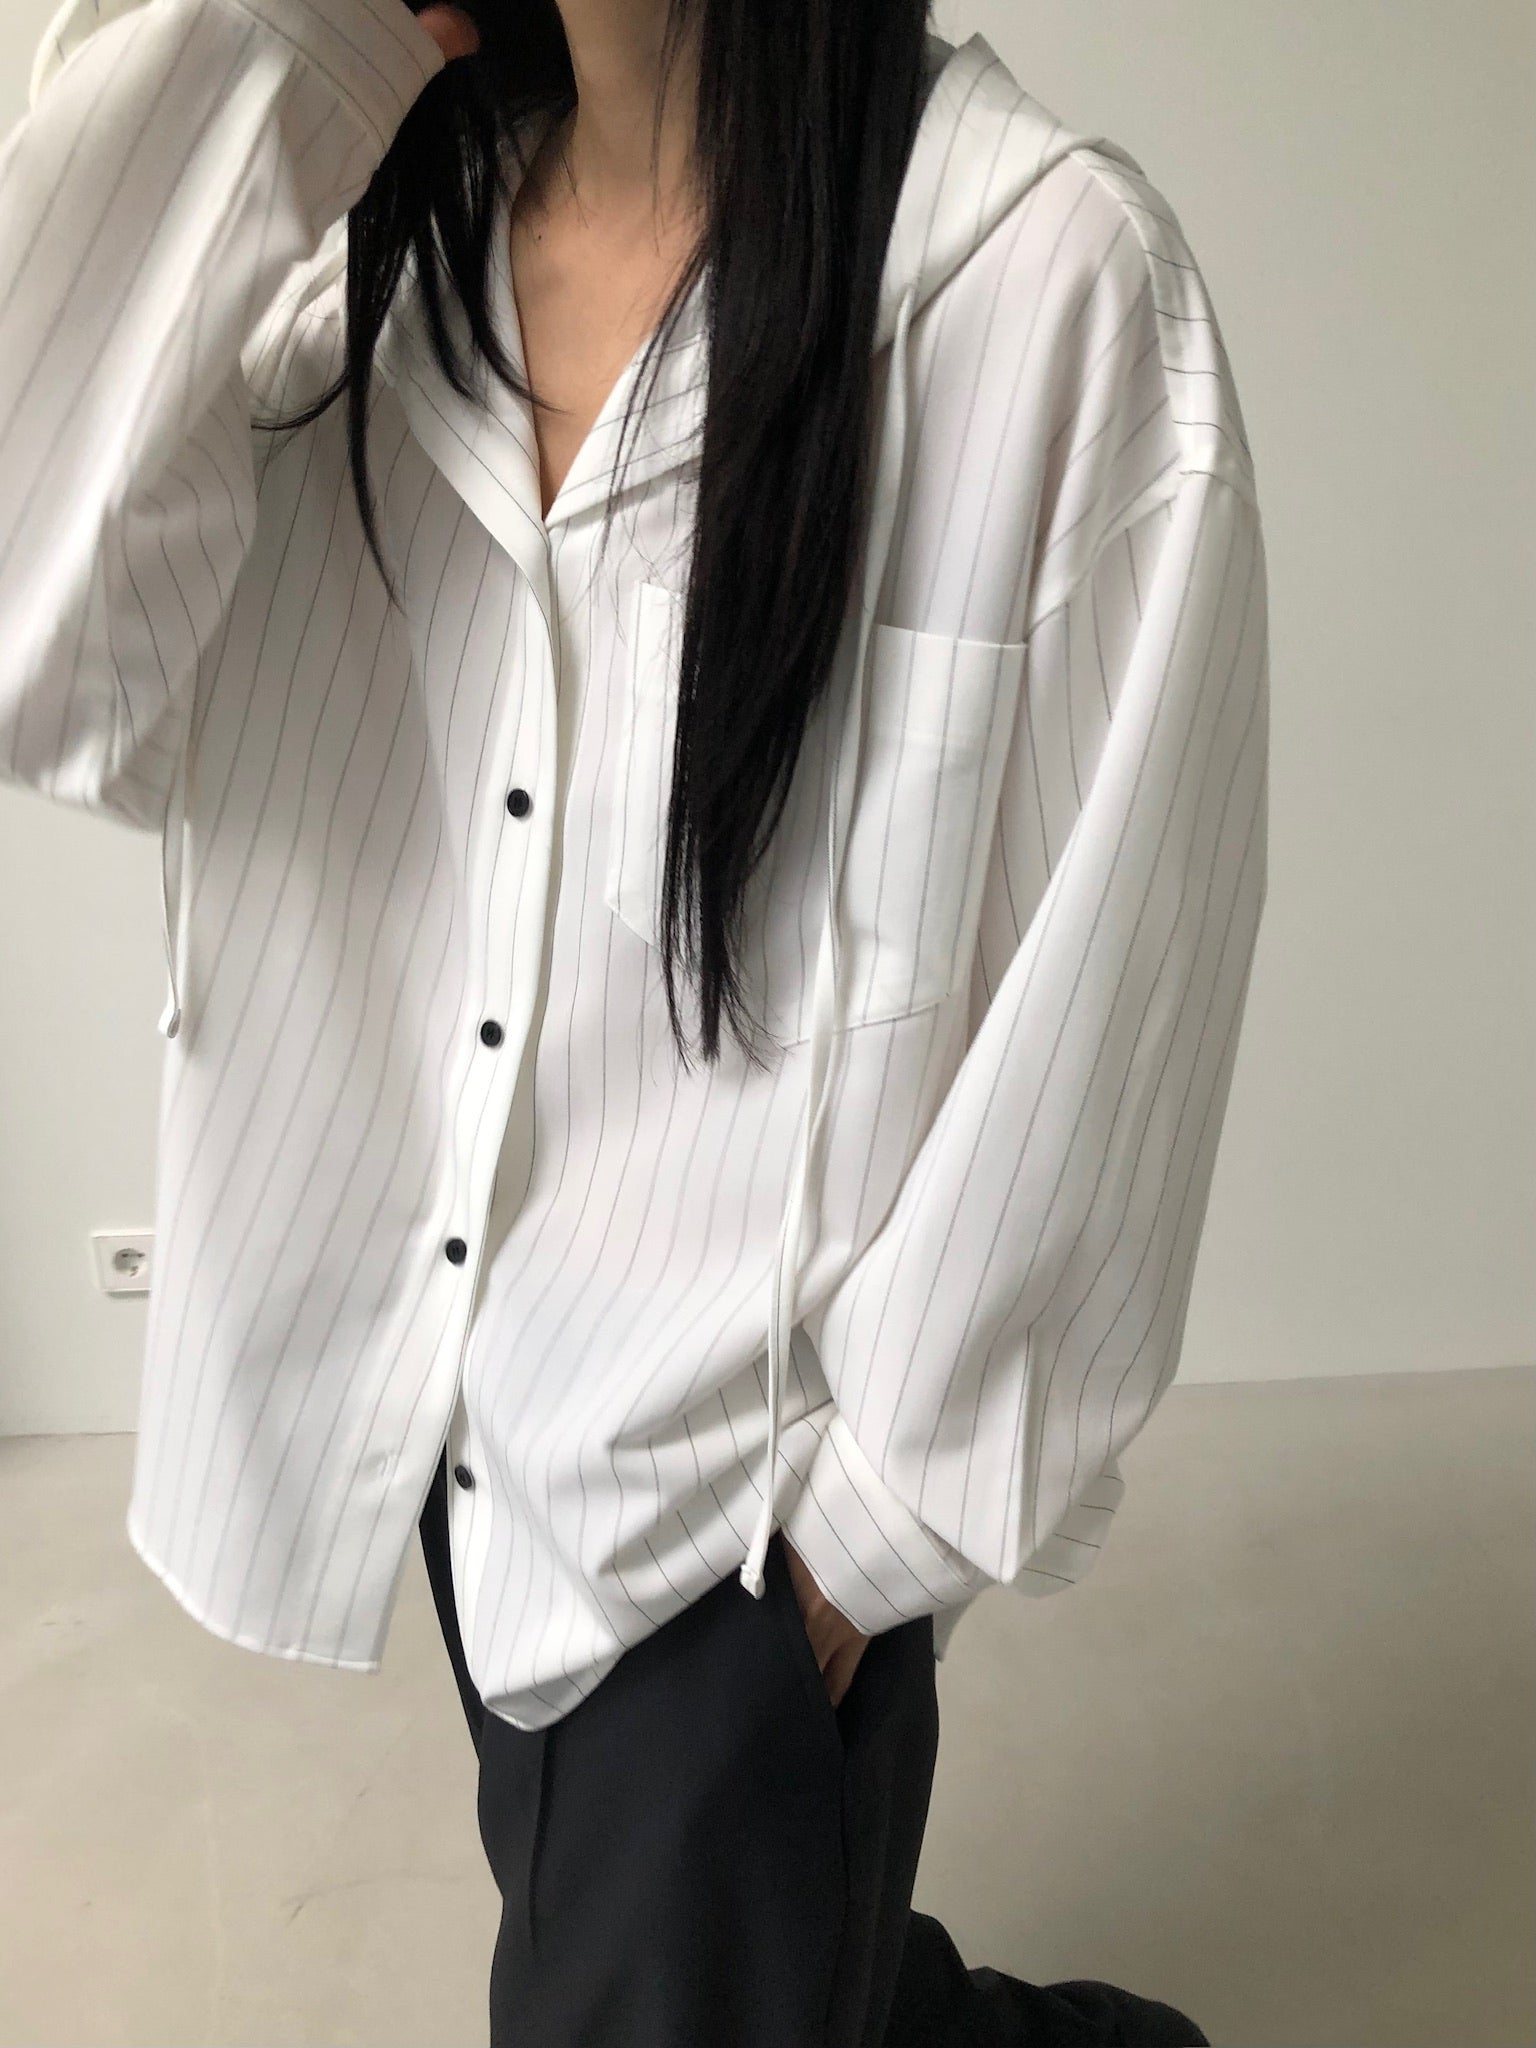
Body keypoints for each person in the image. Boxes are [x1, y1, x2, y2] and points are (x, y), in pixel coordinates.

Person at [2, 0, 1267, 2040]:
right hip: (453, 1413)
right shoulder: (345, 265)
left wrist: (864, 1547)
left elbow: (1119, 994)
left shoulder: (1039, 286)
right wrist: (280, 33)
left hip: (731, 1538)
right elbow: (39, 645)